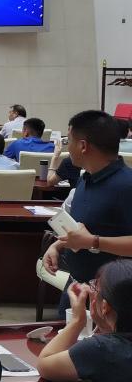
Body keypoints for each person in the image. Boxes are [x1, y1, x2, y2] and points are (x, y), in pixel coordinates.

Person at [42, 111, 132, 315]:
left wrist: (93, 242)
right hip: (77, 287)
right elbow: (84, 229)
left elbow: (90, 238)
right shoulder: (86, 179)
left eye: (69, 141)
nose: (67, 148)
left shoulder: (127, 186)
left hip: (113, 300)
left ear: (83, 146)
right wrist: (58, 245)